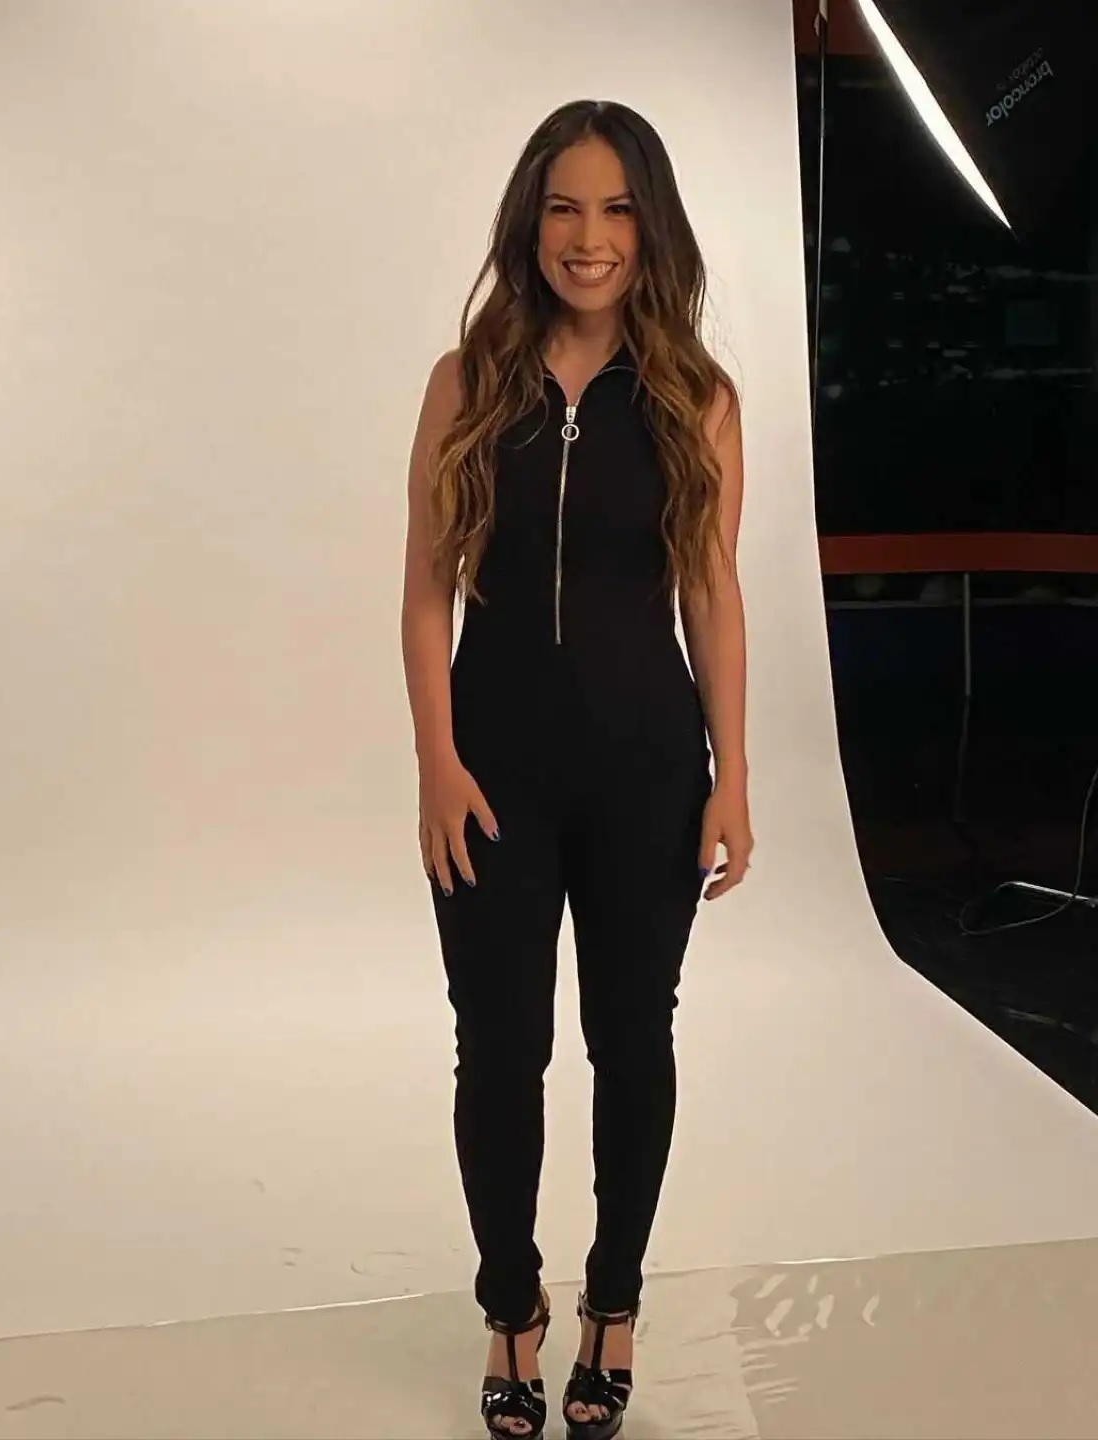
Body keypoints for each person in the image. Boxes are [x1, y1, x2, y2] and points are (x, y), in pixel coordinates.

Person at [400, 98, 752, 1440]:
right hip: (492, 773)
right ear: (529, 222)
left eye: (615, 208)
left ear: (650, 228)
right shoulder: (467, 382)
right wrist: (437, 761)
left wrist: (733, 775)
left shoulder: (696, 398)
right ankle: (511, 1307)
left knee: (632, 1040)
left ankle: (614, 1302)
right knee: (499, 1049)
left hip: (649, 771)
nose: (588, 236)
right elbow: (425, 590)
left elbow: (713, 595)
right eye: (563, 206)